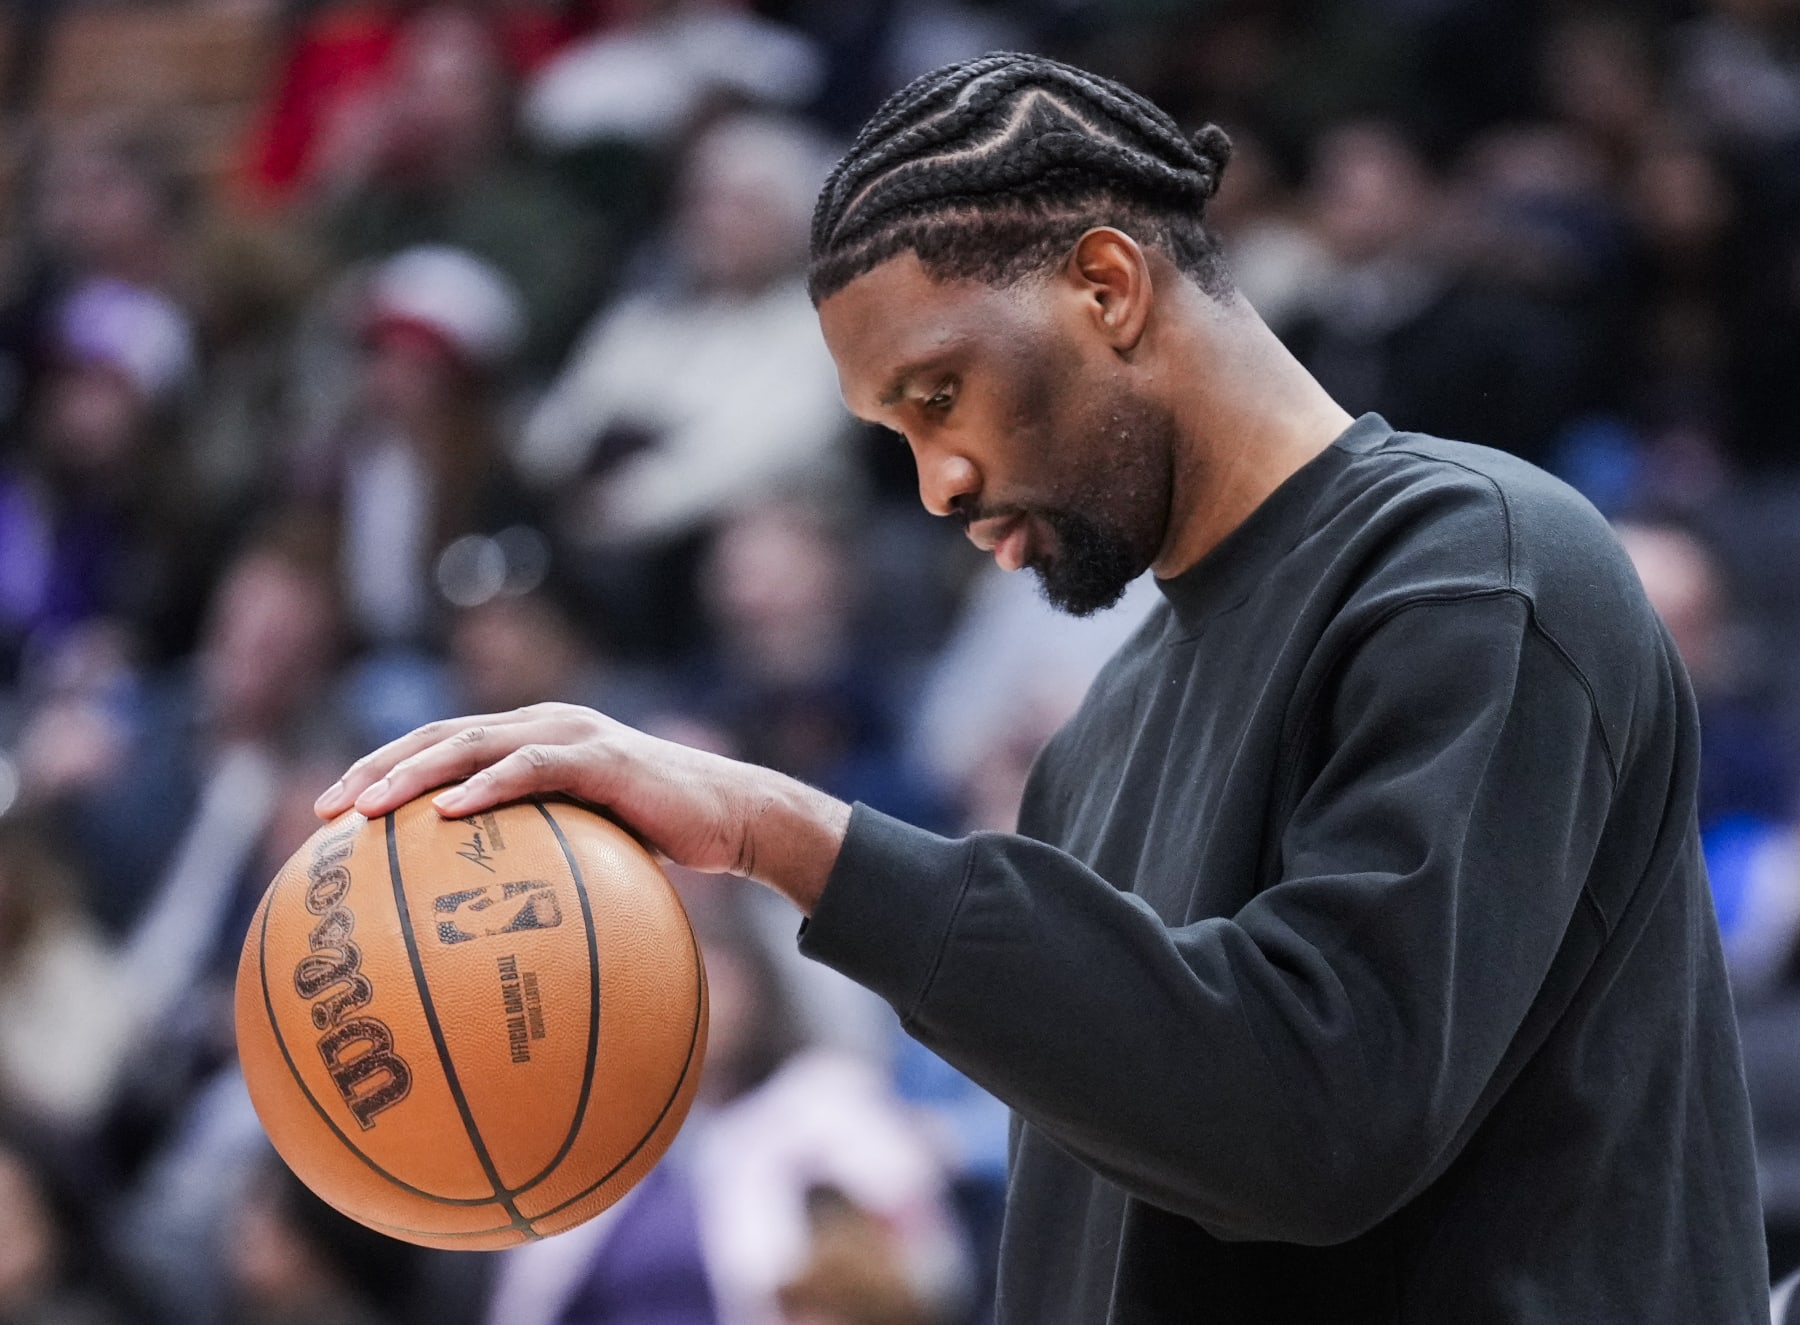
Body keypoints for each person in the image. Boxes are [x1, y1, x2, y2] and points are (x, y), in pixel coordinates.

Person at [316, 53, 1769, 1322]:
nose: (936, 484)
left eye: (937, 393)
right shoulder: (1101, 737)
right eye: (893, 432)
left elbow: (1321, 1113)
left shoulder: (1476, 573)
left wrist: (782, 833)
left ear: (1105, 285)